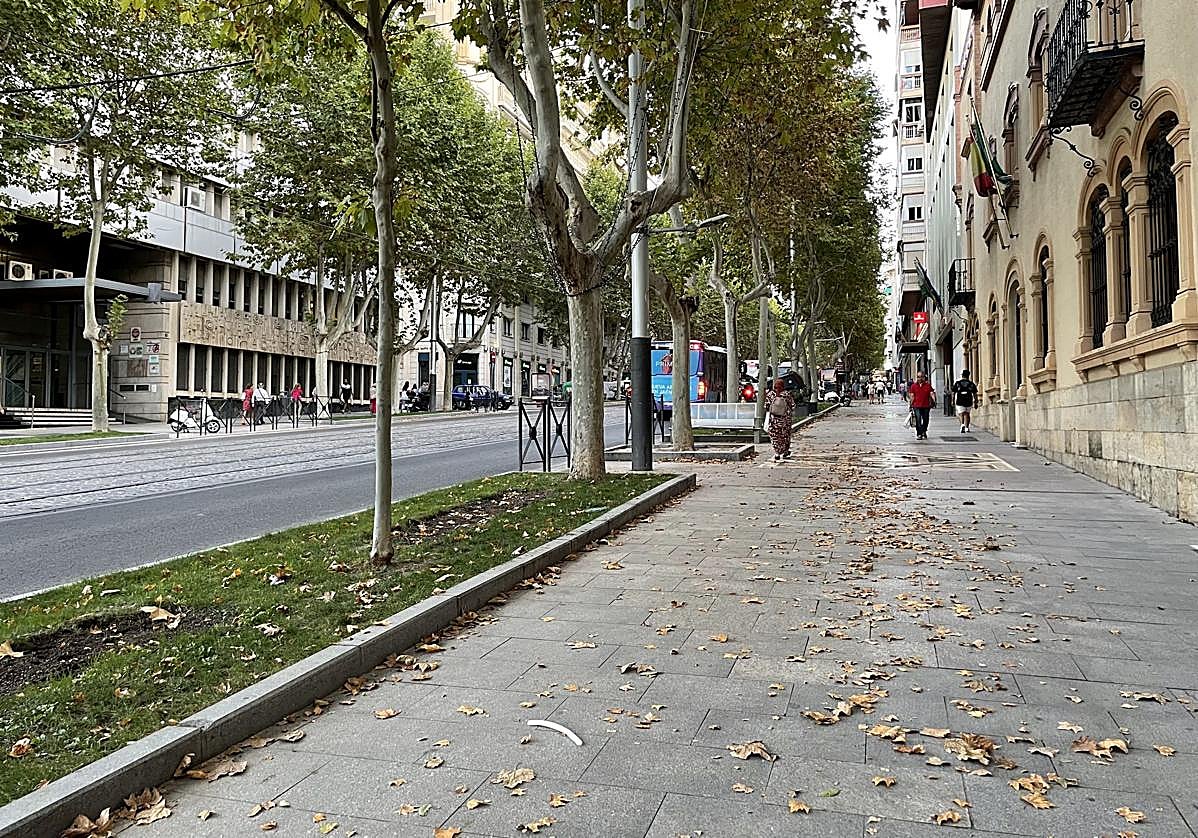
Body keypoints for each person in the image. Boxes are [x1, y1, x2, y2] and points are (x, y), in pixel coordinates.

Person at [764, 378, 795, 462]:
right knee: (785, 436)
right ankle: (785, 451)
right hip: (785, 420)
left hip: (774, 420)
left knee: (775, 436)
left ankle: (777, 452)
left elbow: (766, 406)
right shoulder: (786, 394)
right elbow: (792, 406)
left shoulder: (770, 394)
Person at [906, 370, 935, 440]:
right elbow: (912, 396)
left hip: (926, 405)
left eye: (921, 377)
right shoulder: (913, 386)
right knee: (918, 420)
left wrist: (934, 400)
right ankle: (919, 433)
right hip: (916, 406)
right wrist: (910, 405)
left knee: (926, 419)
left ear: (924, 377)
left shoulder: (928, 385)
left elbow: (931, 393)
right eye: (918, 377)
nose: (920, 379)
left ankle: (924, 431)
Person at [952, 369, 978, 434]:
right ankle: (967, 427)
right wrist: (975, 402)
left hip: (960, 400)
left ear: (962, 375)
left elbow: (953, 392)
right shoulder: (971, 384)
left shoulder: (957, 383)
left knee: (961, 414)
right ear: (968, 375)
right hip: (968, 400)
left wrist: (952, 400)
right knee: (967, 414)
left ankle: (962, 425)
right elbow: (975, 393)